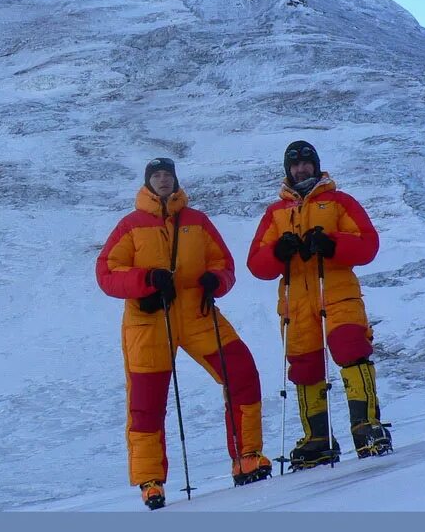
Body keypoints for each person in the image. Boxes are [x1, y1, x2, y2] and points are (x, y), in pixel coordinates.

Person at [96, 157, 271, 510]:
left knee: (242, 374)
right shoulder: (130, 225)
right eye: (156, 176)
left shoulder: (197, 222)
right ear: (148, 183)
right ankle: (151, 482)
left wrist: (214, 281)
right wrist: (146, 281)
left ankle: (247, 457)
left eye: (168, 175)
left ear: (176, 181)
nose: (163, 181)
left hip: (198, 314)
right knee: (147, 404)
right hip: (149, 322)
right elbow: (107, 273)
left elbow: (224, 265)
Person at [247, 141, 392, 471]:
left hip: (337, 291)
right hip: (296, 301)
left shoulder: (340, 203)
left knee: (351, 350)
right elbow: (256, 264)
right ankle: (317, 439)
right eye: (295, 165)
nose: (301, 170)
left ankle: (366, 427)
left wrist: (331, 244)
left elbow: (368, 244)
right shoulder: (275, 213)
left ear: (316, 165)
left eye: (306, 163)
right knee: (305, 366)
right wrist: (278, 253)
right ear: (288, 170)